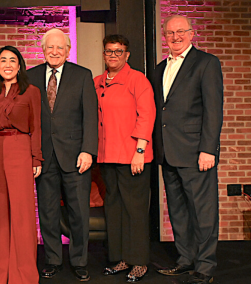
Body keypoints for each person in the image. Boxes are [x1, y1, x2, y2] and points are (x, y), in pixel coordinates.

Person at [151, 15, 223, 284]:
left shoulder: (206, 63)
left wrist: (209, 149)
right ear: (165, 36)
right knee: (178, 211)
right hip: (168, 152)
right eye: (170, 33)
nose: (176, 37)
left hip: (196, 153)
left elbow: (213, 111)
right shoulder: (159, 68)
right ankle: (185, 259)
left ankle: (205, 265)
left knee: (203, 212)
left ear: (192, 34)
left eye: (181, 32)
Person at [27, 28, 98, 282]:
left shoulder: (82, 75)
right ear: (43, 50)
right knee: (47, 212)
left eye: (60, 48)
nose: (54, 52)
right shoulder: (30, 76)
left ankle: (79, 261)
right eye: (50, 48)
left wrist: (88, 150)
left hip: (76, 155)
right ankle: (53, 259)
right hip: (44, 157)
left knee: (79, 212)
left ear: (68, 51)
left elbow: (91, 116)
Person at [94, 34, 156, 283]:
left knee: (135, 210)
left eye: (118, 51)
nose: (113, 56)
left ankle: (139, 261)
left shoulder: (136, 79)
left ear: (127, 55)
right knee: (114, 207)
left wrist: (140, 152)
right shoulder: (98, 82)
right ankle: (121, 258)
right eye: (109, 51)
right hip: (107, 156)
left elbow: (147, 115)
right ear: (104, 54)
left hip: (132, 156)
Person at [0, 46, 42, 284]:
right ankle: (2, 272)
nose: (8, 64)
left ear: (19, 66)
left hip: (20, 148)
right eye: (3, 60)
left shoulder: (31, 92)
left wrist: (36, 157)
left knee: (22, 213)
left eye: (12, 60)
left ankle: (24, 273)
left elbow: (37, 126)